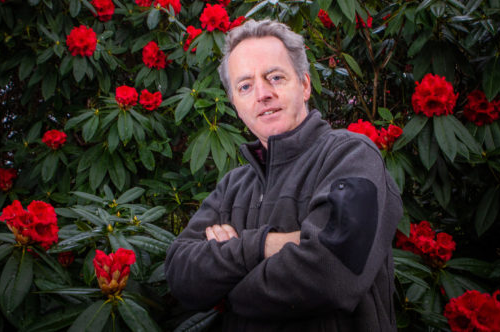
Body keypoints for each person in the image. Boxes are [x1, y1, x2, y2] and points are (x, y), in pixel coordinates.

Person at [164, 19, 403, 331]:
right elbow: (180, 273)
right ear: (236, 105)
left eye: (275, 77)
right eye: (245, 86)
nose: (262, 94)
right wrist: (263, 245)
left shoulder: (351, 156)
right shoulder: (233, 186)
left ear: (304, 85)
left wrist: (225, 289)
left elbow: (330, 273)